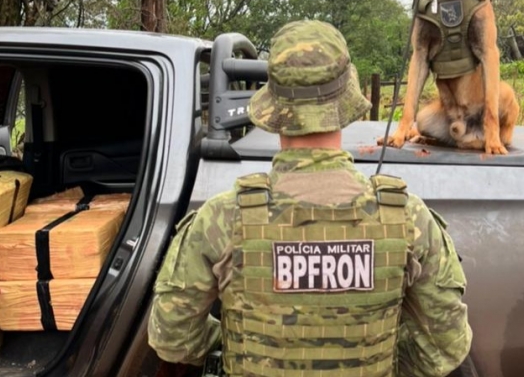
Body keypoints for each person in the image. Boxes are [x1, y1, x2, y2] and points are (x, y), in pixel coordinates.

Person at [148, 20, 472, 377]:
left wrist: (236, 345)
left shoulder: (222, 219)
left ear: (273, 106)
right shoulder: (408, 219)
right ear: (346, 98)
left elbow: (173, 337)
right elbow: (445, 346)